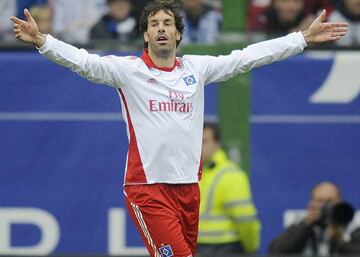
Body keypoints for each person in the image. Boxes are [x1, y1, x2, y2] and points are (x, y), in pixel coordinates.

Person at [10, 0, 348, 256]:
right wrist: (43, 41)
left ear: (178, 33)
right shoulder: (128, 72)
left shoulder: (196, 69)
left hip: (188, 189)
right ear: (145, 33)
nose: (160, 28)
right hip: (148, 188)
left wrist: (302, 38)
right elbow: (84, 62)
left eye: (167, 23)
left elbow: (248, 56)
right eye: (153, 23)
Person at [196, 122, 260, 257]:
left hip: (227, 248)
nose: (198, 146)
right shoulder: (196, 174)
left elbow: (245, 219)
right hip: (198, 248)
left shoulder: (231, 175)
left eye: (204, 141)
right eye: (195, 140)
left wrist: (251, 247)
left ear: (217, 143)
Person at [269, 181, 360, 256]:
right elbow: (276, 251)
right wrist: (306, 224)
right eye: (320, 201)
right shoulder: (301, 226)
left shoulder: (353, 226)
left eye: (330, 201)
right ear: (311, 203)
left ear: (340, 202)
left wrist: (339, 239)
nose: (325, 206)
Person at [249, 0, 313, 35]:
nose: (290, 7)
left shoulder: (308, 20)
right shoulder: (263, 20)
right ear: (274, 3)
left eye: (296, 1)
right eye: (284, 1)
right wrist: (295, 36)